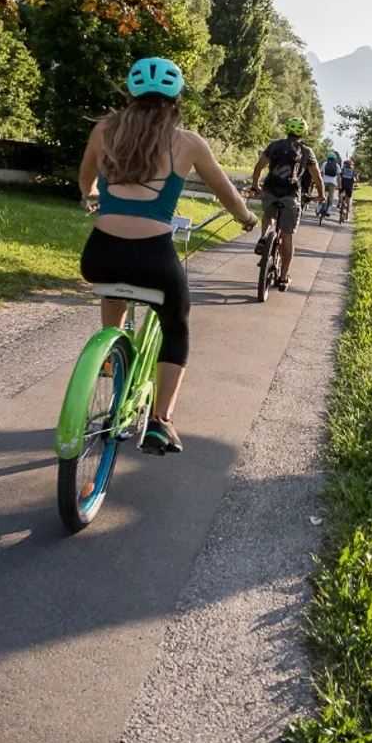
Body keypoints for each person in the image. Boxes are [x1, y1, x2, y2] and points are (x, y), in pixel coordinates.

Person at [78, 57, 258, 454]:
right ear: (177, 98)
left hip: (100, 253)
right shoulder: (188, 142)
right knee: (176, 327)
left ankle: (113, 352)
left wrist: (92, 196)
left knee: (114, 287)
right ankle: (160, 421)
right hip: (154, 257)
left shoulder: (103, 130)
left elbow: (86, 180)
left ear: (130, 95)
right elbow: (226, 192)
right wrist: (245, 218)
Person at [252, 118, 324, 291]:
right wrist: (321, 195)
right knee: (287, 236)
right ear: (303, 133)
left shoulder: (274, 145)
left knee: (268, 217)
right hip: (290, 195)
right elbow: (317, 177)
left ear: (286, 130)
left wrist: (256, 185)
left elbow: (258, 167)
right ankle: (283, 278)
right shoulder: (307, 151)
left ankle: (264, 238)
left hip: (270, 190)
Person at [319, 150, 341, 216]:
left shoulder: (325, 163)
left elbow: (321, 173)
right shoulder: (337, 165)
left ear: (328, 157)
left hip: (324, 182)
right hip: (333, 183)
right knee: (331, 196)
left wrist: (320, 181)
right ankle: (328, 210)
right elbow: (339, 177)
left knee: (322, 194)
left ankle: (318, 207)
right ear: (335, 158)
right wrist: (339, 185)